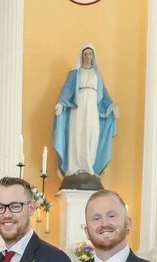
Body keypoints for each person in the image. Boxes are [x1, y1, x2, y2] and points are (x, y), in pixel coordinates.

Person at [53, 44, 119, 179]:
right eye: (85, 54)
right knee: (77, 134)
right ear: (81, 56)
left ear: (93, 56)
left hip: (92, 109)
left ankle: (89, 166)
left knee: (91, 134)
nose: (87, 56)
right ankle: (74, 167)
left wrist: (113, 106)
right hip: (78, 108)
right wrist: (61, 103)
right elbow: (67, 89)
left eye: (90, 54)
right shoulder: (75, 73)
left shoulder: (97, 74)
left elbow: (104, 93)